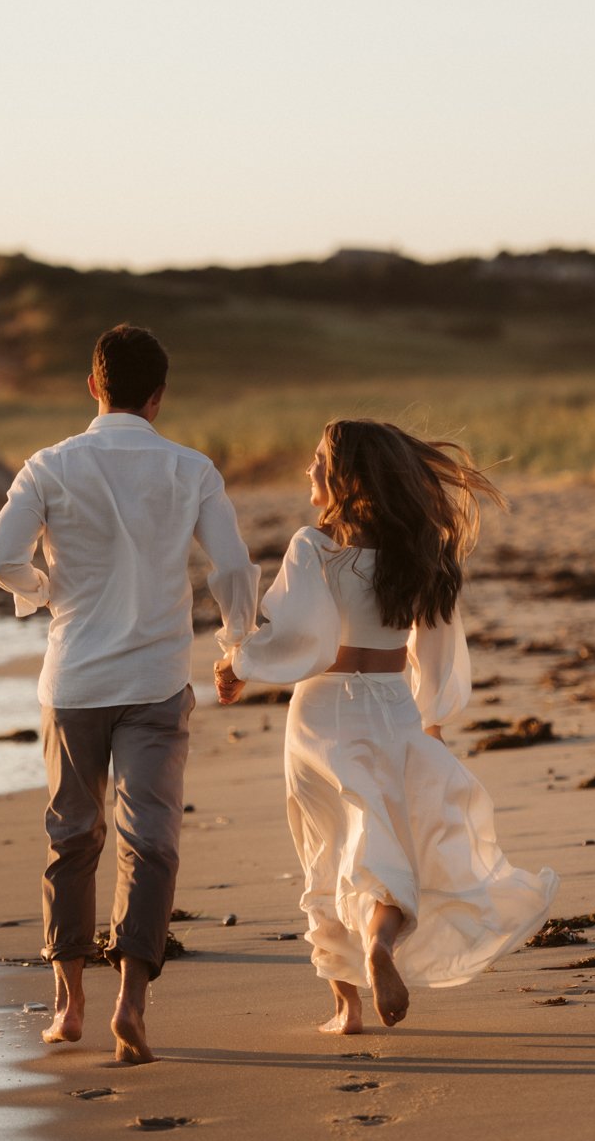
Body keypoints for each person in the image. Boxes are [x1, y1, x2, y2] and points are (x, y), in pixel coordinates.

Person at [214, 418, 558, 1035]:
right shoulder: (419, 552)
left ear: (345, 476)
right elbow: (437, 649)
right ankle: (381, 944)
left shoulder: (315, 547)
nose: (309, 471)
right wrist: (433, 718)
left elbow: (300, 638)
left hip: (321, 713)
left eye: (319, 461)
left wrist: (239, 662)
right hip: (394, 706)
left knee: (326, 848)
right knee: (388, 844)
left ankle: (346, 1007)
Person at [0, 324, 259, 1063]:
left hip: (73, 680)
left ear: (92, 386)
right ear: (158, 396)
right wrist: (236, 645)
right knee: (151, 840)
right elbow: (231, 567)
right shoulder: (191, 468)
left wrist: (41, 591)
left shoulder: (49, 466)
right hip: (156, 682)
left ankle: (68, 1001)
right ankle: (131, 1001)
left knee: (72, 836)